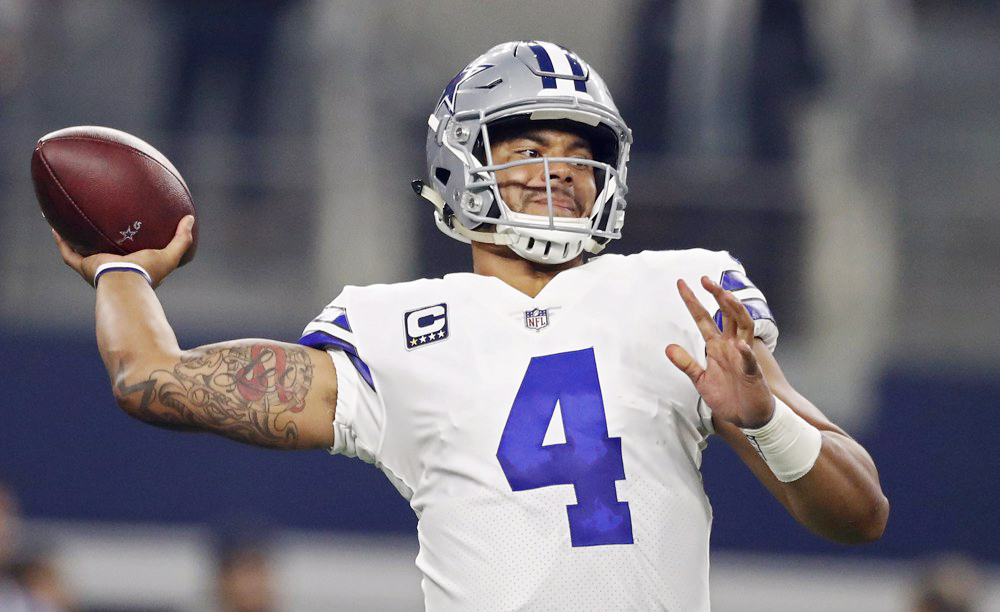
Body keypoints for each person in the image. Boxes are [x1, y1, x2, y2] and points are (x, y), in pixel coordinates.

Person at [51, 40, 888, 611]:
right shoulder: (391, 327)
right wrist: (120, 267)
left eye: (580, 152)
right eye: (527, 147)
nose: (559, 170)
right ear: (462, 163)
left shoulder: (681, 294)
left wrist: (767, 420)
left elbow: (860, 515)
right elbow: (151, 379)